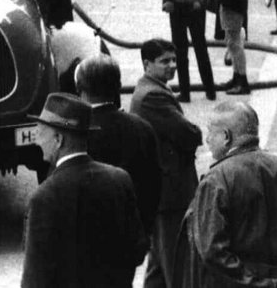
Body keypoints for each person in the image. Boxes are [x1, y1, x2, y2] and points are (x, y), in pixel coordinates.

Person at [177, 101, 277, 287]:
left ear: (226, 136)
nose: (207, 139)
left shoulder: (216, 181)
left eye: (210, 132)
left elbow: (212, 252)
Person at [22, 92, 149, 288]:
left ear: (58, 139)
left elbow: (35, 279)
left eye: (41, 132)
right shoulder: (119, 180)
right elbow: (138, 250)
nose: (37, 140)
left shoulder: (45, 197)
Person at [130, 39, 203, 288]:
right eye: (164, 61)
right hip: (170, 195)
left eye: (173, 60)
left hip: (162, 194)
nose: (172, 65)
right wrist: (195, 132)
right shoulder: (153, 96)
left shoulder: (151, 89)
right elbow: (189, 134)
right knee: (177, 266)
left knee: (159, 268)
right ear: (147, 64)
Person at [76, 55, 163, 231]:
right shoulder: (142, 128)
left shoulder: (75, 132)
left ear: (80, 89)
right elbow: (154, 185)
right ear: (118, 87)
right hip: (132, 233)